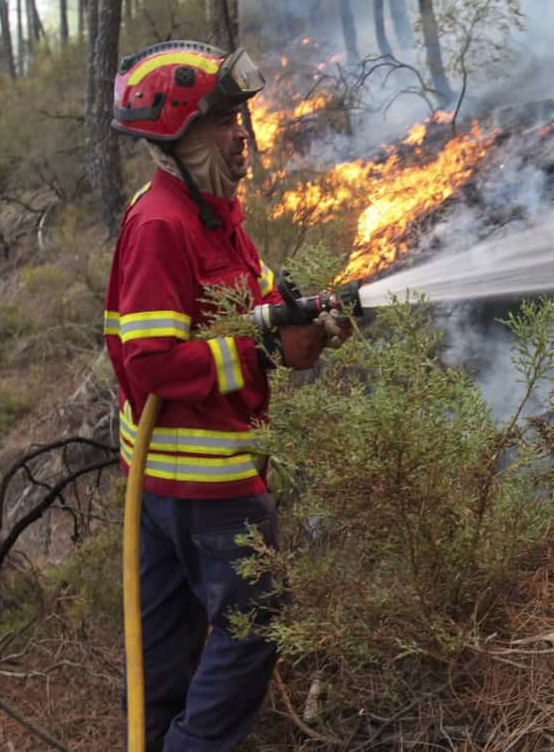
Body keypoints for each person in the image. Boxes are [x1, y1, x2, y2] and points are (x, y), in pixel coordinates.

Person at [103, 40, 344, 751]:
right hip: (203, 485)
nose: (243, 135)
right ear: (177, 136)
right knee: (254, 627)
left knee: (167, 655)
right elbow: (148, 363)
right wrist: (266, 348)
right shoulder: (161, 226)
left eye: (240, 118)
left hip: (181, 485)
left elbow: (260, 300)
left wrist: (310, 318)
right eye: (224, 122)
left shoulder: (216, 216)